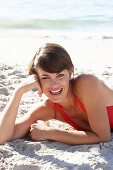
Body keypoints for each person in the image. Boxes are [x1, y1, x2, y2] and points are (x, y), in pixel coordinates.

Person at [0, 43, 113, 145]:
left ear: (70, 72)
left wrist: (51, 133)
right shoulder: (47, 108)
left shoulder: (87, 83)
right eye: (45, 77)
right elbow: (3, 137)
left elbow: (103, 136)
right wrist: (18, 92)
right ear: (37, 80)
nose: (54, 84)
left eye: (60, 75)